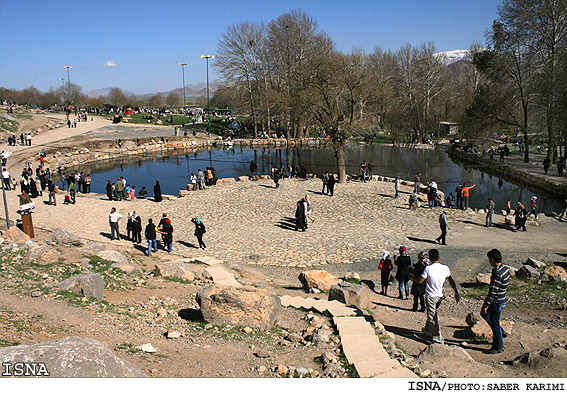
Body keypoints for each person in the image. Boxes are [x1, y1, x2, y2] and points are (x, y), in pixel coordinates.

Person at [412, 249, 460, 344]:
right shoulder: (445, 268)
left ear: (429, 258)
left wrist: (413, 278)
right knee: (433, 313)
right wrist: (456, 292)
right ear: (439, 257)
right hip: (439, 295)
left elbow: (420, 281)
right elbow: (451, 280)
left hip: (431, 296)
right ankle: (427, 330)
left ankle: (437, 337)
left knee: (432, 316)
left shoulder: (428, 268)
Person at [481, 249, 510, 354]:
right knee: (492, 320)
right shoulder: (504, 269)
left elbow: (493, 291)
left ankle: (498, 346)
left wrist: (486, 304)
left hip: (496, 301)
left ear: (492, 259)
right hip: (502, 298)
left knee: (494, 323)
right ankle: (501, 333)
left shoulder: (497, 273)